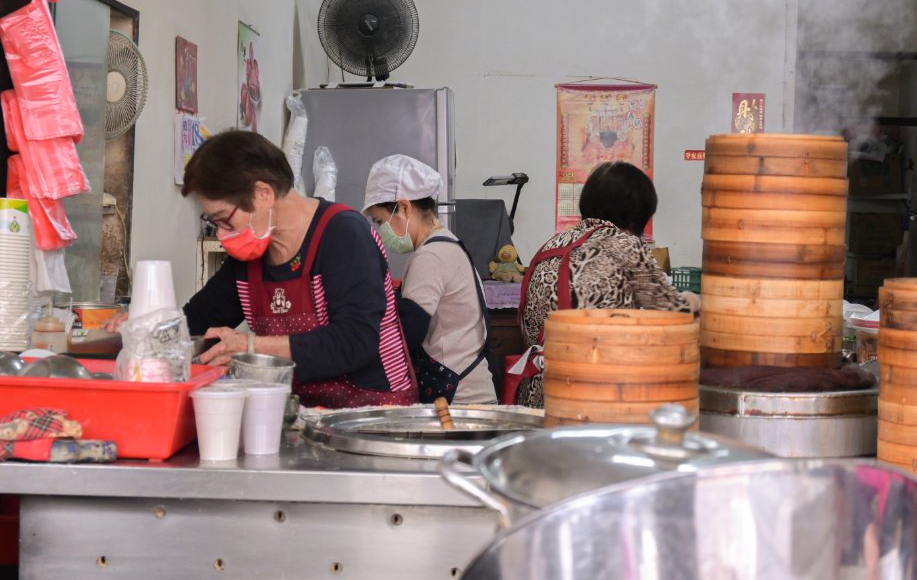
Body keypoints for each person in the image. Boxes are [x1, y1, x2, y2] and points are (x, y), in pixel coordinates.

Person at [112, 130, 417, 407]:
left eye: (223, 219)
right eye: (213, 223)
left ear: (263, 194)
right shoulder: (251, 259)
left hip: (373, 413)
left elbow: (355, 343)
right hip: (298, 411)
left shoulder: (343, 234)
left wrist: (250, 345)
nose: (221, 234)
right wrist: (146, 329)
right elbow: (197, 322)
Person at [516, 161, 699, 408]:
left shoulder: (550, 246)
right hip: (594, 398)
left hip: (538, 396)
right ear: (636, 213)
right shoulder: (624, 245)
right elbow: (677, 314)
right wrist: (695, 299)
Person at [363, 155, 496, 404]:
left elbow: (408, 330)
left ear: (403, 208)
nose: (380, 230)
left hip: (459, 400)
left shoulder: (431, 255)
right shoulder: (447, 244)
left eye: (380, 221)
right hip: (467, 390)